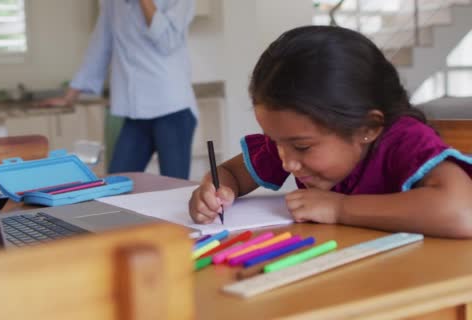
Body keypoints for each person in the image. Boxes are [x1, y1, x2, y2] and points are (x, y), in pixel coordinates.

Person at [189, 26, 472, 238]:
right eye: (275, 142)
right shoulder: (292, 142)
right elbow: (233, 174)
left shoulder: (405, 140)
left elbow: (463, 212)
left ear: (368, 128)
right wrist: (215, 191)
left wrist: (340, 209)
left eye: (302, 147)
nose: (286, 162)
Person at [41, 0, 198, 179]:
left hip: (172, 109)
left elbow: (167, 41)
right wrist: (70, 95)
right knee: (115, 185)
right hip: (134, 112)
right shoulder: (113, 3)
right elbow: (100, 45)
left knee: (174, 188)